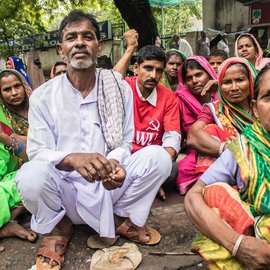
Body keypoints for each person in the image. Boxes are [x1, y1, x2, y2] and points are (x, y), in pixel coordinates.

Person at [15, 10, 172, 269]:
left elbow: (124, 142)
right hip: (62, 191)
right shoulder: (43, 96)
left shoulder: (118, 86)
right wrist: (72, 159)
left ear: (98, 46)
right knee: (30, 175)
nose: (79, 43)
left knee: (158, 158)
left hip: (109, 187)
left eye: (88, 37)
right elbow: (37, 151)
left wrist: (114, 167)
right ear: (60, 49)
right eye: (71, 38)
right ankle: (59, 227)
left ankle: (121, 218)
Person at [184, 64, 270, 269]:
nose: (233, 87)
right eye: (269, 97)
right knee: (214, 193)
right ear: (256, 109)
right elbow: (193, 197)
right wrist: (238, 244)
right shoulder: (243, 146)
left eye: (239, 80)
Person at [114, 35, 181, 200]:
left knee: (171, 170)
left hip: (151, 160)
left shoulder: (169, 97)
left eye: (159, 70)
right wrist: (130, 48)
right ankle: (147, 188)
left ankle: (144, 185)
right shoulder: (125, 88)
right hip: (123, 157)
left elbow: (172, 138)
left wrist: (157, 170)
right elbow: (111, 81)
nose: (153, 75)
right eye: (148, 68)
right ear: (136, 68)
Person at [187, 57, 257, 188]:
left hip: (263, 162)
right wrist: (231, 150)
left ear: (251, 80)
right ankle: (215, 187)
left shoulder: (262, 106)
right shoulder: (214, 109)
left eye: (240, 80)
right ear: (219, 85)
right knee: (210, 131)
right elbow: (193, 136)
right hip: (232, 166)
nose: (234, 88)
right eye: (226, 82)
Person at [0, 69, 37, 252]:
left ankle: (7, 224)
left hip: (35, 164)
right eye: (7, 89)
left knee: (29, 180)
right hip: (7, 170)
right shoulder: (2, 116)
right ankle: (8, 224)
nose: (14, 93)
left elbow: (35, 152)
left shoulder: (38, 106)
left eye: (17, 86)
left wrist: (7, 137)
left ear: (24, 86)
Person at [175, 56, 218, 195]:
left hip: (229, 146)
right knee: (181, 171)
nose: (194, 81)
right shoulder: (180, 99)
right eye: (189, 78)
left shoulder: (223, 90)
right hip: (198, 151)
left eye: (199, 74)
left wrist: (220, 85)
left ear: (209, 73)